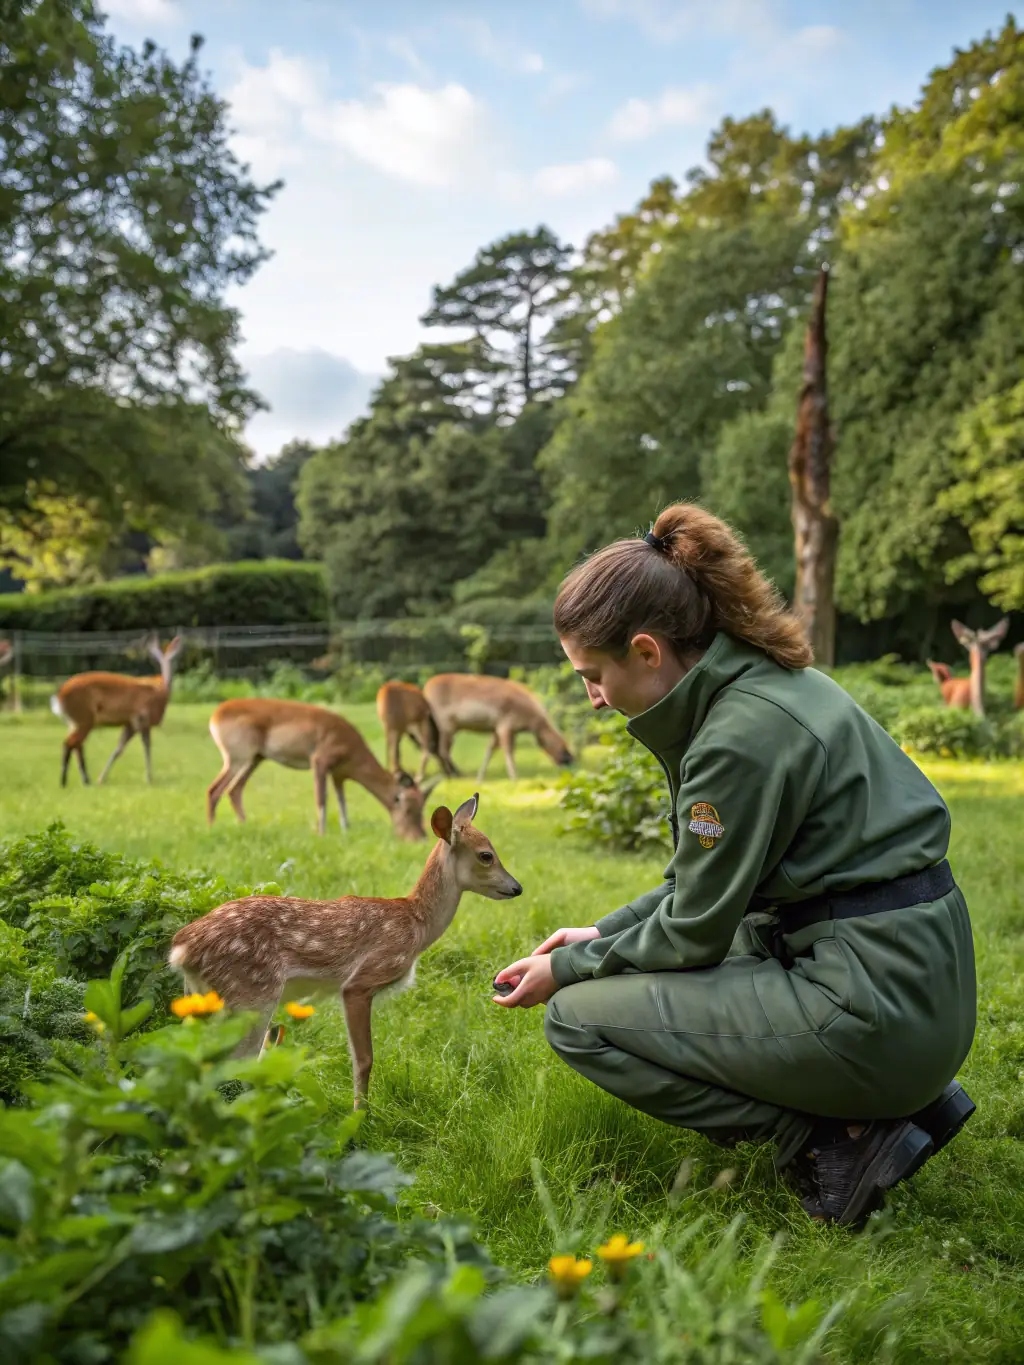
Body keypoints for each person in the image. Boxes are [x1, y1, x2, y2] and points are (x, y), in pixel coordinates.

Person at [493, 502, 977, 1227]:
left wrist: (567, 971)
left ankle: (836, 1137)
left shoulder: (734, 737)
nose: (592, 698)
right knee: (649, 965)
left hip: (877, 1007)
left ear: (648, 652)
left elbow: (695, 931)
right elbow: (700, 883)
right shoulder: (764, 683)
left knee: (577, 1019)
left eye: (593, 675)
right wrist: (600, 933)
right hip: (913, 989)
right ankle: (881, 1102)